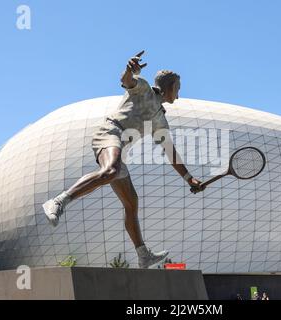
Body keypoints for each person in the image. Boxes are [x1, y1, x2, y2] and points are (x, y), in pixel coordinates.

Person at [42, 51, 203, 268]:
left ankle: (143, 254)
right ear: (169, 87)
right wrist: (129, 70)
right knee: (110, 171)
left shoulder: (160, 120)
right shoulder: (144, 88)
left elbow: (170, 152)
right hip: (109, 133)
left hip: (118, 150)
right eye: (178, 89)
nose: (179, 94)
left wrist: (189, 179)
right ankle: (58, 202)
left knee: (131, 203)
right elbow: (127, 81)